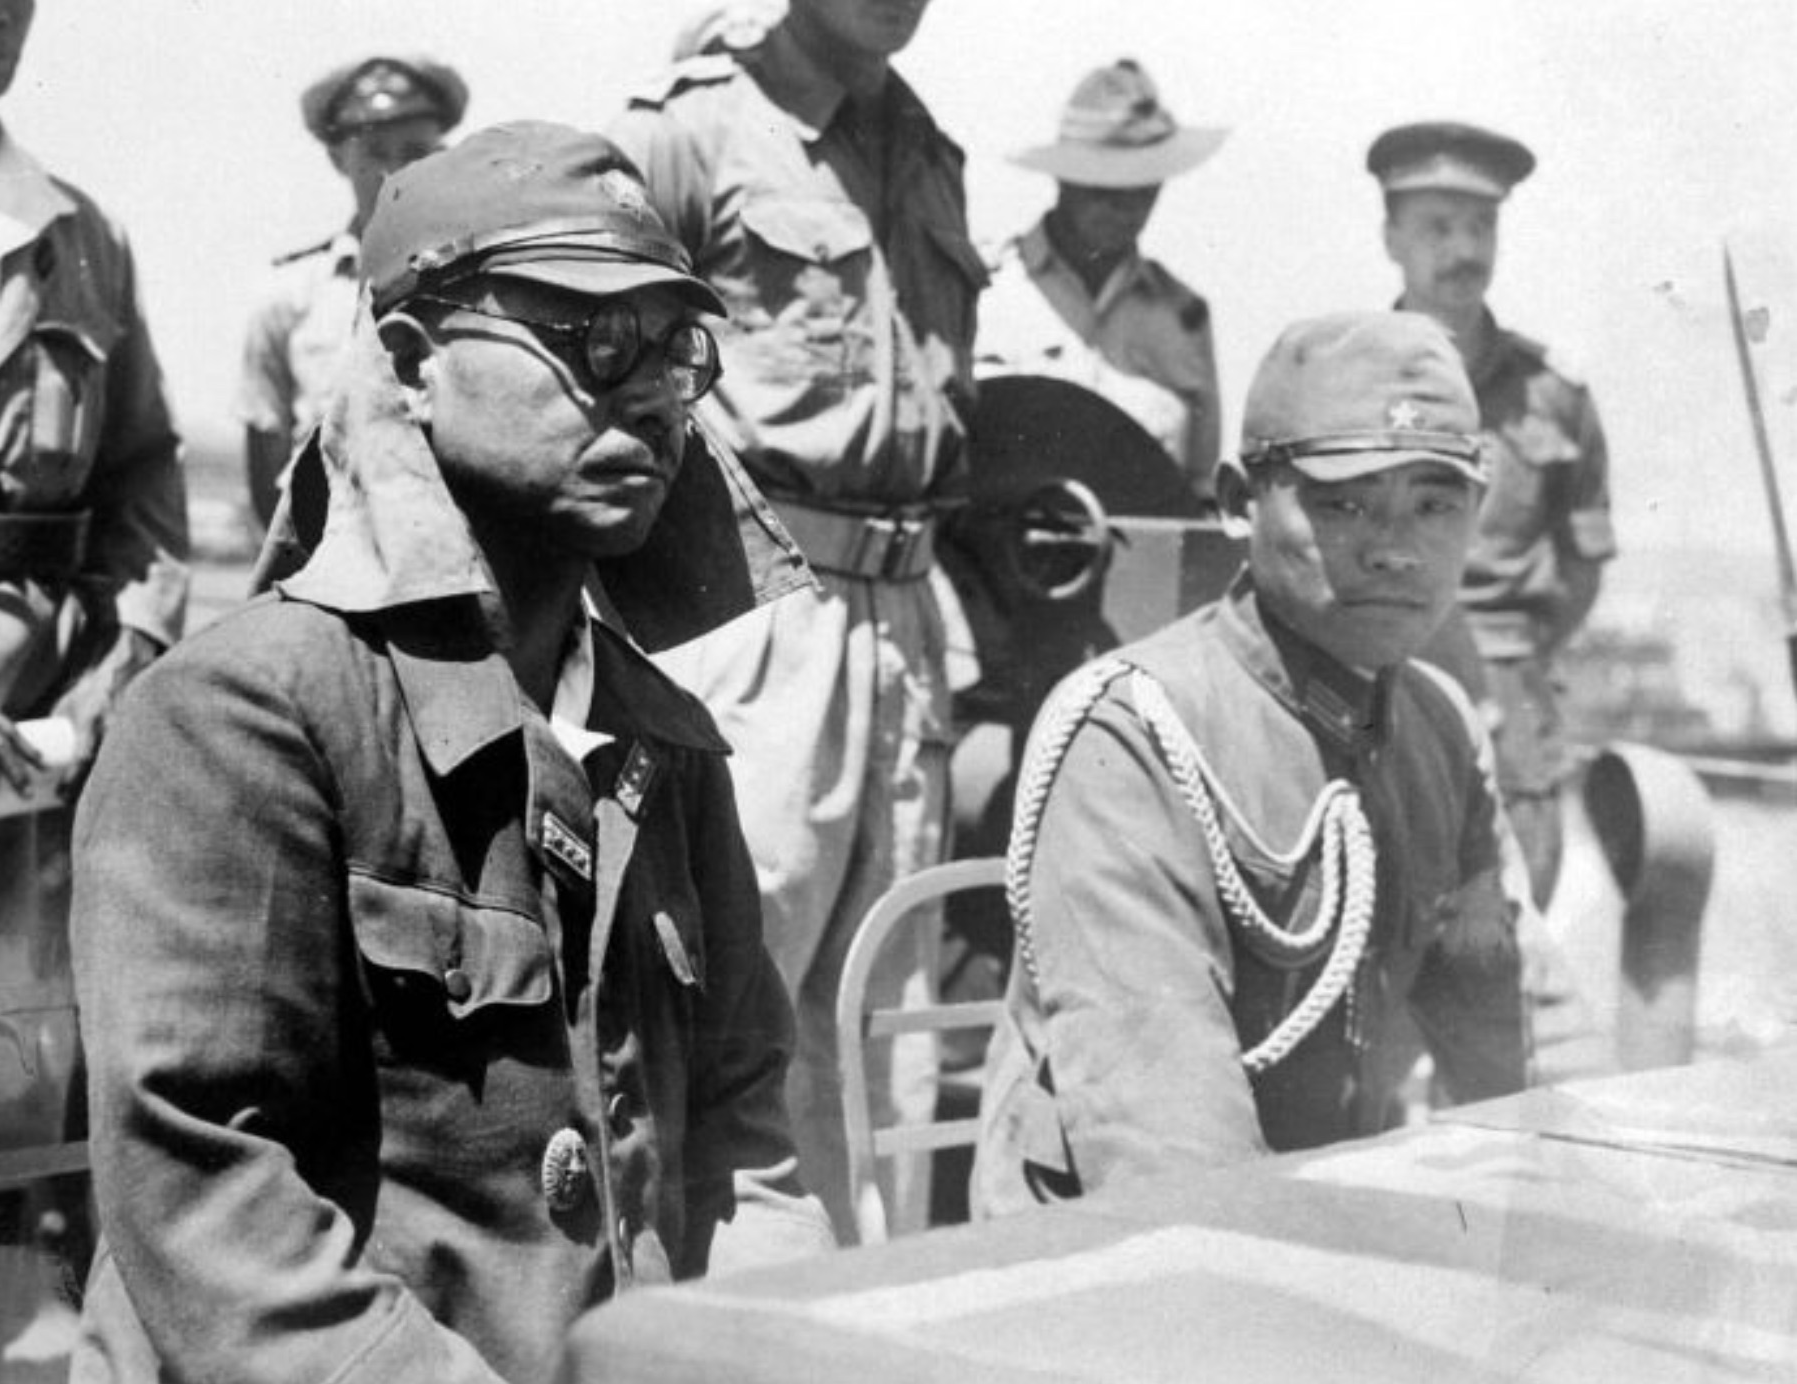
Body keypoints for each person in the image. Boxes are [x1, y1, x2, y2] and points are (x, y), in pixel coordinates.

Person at [69, 122, 833, 1384]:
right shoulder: (241, 717)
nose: (649, 391)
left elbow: (749, 1134)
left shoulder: (664, 743)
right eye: (594, 338)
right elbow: (208, 1189)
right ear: (415, 364)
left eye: (674, 348)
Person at [974, 312, 1529, 1216]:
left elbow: (1514, 1037)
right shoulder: (1135, 733)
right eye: (1345, 503)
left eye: (1436, 504)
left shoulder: (1438, 727)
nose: (1397, 547)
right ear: (1238, 501)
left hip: (1316, 1232)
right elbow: (1167, 1150)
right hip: (1106, 1273)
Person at [609, 0, 983, 1241]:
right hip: (753, 604)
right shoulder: (694, 133)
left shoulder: (924, 144)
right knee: (728, 979)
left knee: (886, 1006)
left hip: (901, 617)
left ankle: (866, 1327)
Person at [0, 0, 188, 1355]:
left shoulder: (76, 234)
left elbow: (144, 488)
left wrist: (101, 694)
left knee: (15, 1079)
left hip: (31, 734)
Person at [1369, 121, 1615, 907]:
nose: (1463, 250)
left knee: (1510, 948)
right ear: (1391, 237)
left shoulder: (1554, 393)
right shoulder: (1345, 377)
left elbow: (1583, 561)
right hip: (1375, 678)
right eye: (1438, 227)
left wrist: (1515, 660)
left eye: (1481, 226)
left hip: (1511, 703)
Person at [977, 58, 1227, 502]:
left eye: (1144, 189)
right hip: (987, 553)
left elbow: (1198, 491)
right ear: (1064, 177)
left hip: (1139, 558)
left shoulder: (1184, 317)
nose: (1126, 209)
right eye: (1107, 188)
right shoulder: (981, 290)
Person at [234, 54, 467, 528]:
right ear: (338, 158)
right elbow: (266, 469)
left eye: (416, 153)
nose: (394, 173)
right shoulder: (290, 295)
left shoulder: (477, 288)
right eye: (375, 152)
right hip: (319, 553)